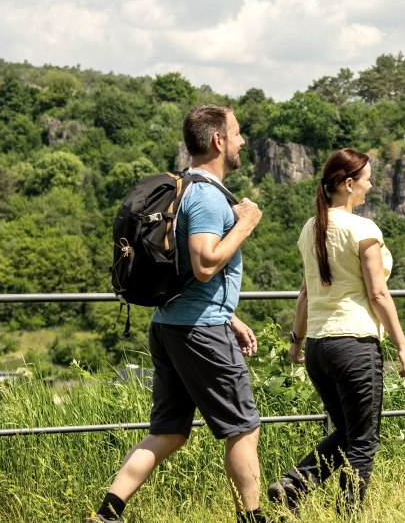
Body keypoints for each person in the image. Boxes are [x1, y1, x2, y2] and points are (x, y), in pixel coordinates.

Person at [92, 104, 269, 523]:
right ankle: (254, 517)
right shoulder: (208, 197)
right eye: (238, 133)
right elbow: (206, 263)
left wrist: (231, 315)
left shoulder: (184, 187)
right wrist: (245, 223)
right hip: (200, 333)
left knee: (168, 431)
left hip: (171, 325)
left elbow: (190, 273)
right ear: (218, 141)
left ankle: (107, 514)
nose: (243, 141)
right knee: (243, 427)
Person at [267, 148, 405, 512]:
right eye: (366, 180)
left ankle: (293, 487)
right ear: (348, 184)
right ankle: (346, 513)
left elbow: (304, 294)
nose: (370, 186)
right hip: (354, 344)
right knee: (364, 441)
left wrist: (297, 341)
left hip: (319, 347)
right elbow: (379, 294)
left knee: (348, 434)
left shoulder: (310, 228)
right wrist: (402, 345)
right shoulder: (362, 229)